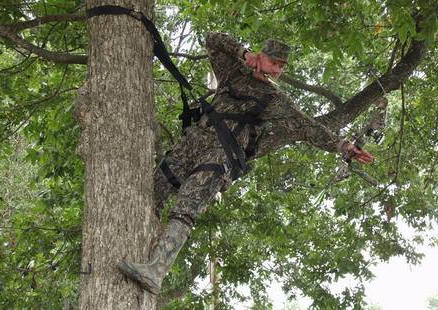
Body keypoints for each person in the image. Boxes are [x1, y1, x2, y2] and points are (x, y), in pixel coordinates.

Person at [117, 32, 374, 294]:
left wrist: (344, 147)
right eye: (274, 62)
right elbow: (212, 40)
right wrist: (243, 54)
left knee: (187, 206)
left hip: (219, 155)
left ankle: (155, 270)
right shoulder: (233, 72)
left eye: (282, 66)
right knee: (153, 189)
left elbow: (307, 127)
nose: (277, 69)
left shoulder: (275, 99)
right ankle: (127, 241)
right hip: (192, 142)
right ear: (261, 57)